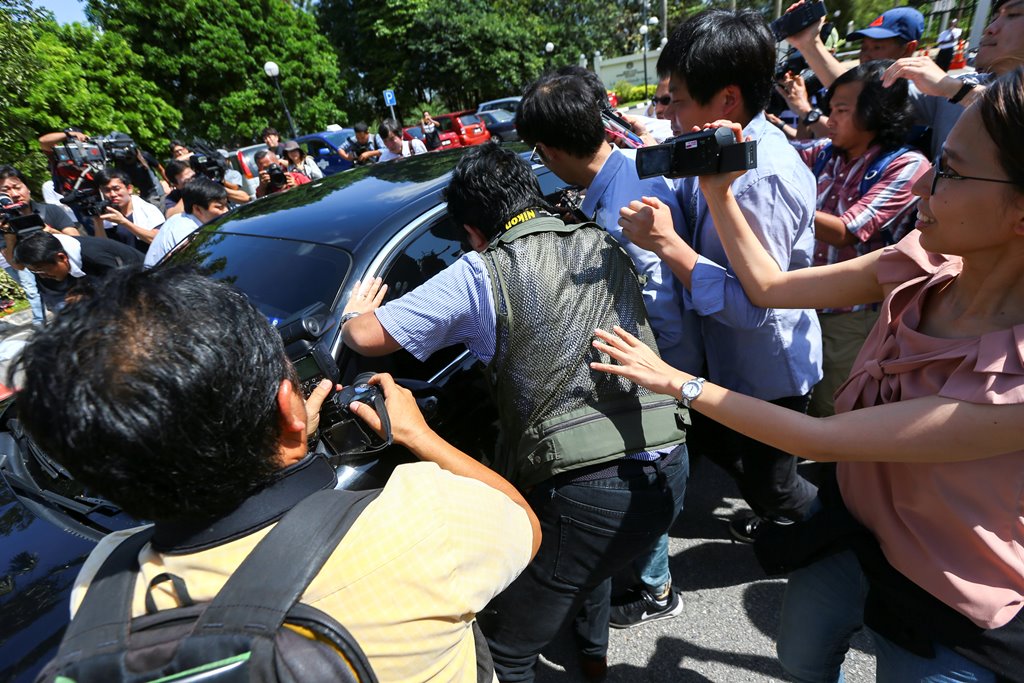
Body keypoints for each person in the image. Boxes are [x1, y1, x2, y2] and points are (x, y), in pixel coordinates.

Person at [595, 67, 1024, 683]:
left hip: (948, 598)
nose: (926, 179)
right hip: (855, 534)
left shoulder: (1012, 382)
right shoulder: (926, 261)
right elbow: (769, 288)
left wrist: (673, 381)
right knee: (800, 659)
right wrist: (721, 189)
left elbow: (815, 441)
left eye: (952, 171)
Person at [13, 265, 540, 683]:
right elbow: (523, 524)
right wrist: (417, 435)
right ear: (292, 408)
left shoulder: (106, 579)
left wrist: (285, 437)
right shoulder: (422, 519)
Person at [341, 142, 688, 682]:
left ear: (473, 232)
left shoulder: (479, 273)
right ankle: (593, 663)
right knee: (587, 566)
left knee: (507, 651)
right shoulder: (601, 241)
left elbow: (366, 336)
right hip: (669, 466)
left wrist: (358, 311)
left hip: (586, 490)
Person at [621, 8, 822, 544]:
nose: (672, 116)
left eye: (679, 100)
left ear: (727, 98)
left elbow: (753, 307)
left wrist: (665, 244)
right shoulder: (718, 150)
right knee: (729, 452)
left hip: (767, 371)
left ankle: (827, 541)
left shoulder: (760, 179)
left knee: (775, 484)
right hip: (729, 361)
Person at [516, 73, 695, 646]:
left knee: (649, 456)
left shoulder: (630, 203)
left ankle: (654, 588)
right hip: (661, 366)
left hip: (659, 371)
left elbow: (663, 310)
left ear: (550, 150)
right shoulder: (632, 172)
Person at [795, 61, 931, 416]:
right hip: (806, 303)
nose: (831, 119)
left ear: (875, 112)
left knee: (834, 407)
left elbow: (846, 231)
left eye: (842, 110)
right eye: (830, 109)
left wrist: (784, 200)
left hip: (852, 316)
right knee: (802, 400)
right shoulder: (827, 153)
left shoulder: (906, 167)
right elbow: (778, 155)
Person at [778, 5, 924, 140]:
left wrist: (806, 112)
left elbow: (863, 93)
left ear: (908, 49)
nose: (866, 55)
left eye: (877, 47)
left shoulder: (919, 96)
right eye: (864, 47)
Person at [0, 165, 80, 327]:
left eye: (17, 187)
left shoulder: (49, 211)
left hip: (81, 282)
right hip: (54, 294)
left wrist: (48, 229)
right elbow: (18, 266)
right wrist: (9, 235)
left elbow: (78, 242)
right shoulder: (4, 225)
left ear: (27, 188)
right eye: (6, 190)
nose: (14, 194)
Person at [13, 231, 141, 312]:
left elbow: (124, 290)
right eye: (36, 273)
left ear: (61, 257)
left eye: (43, 271)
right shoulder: (61, 252)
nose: (43, 276)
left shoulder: (95, 256)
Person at [144, 178, 228, 268]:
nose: (226, 211)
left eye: (226, 205)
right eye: (219, 207)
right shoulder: (187, 233)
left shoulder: (182, 219)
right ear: (197, 209)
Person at [92, 168, 165, 253]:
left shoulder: (148, 209)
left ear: (129, 189)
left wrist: (124, 222)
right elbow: (103, 247)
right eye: (107, 190)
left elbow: (157, 240)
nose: (112, 194)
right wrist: (98, 222)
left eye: (116, 189)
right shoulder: (107, 216)